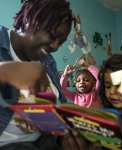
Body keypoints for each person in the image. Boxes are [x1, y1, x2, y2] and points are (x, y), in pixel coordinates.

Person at [0, 0, 73, 149]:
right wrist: (7, 71)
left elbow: (61, 107)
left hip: (46, 140)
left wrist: (67, 134)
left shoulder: (48, 61)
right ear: (29, 20)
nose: (55, 46)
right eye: (52, 36)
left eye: (61, 42)